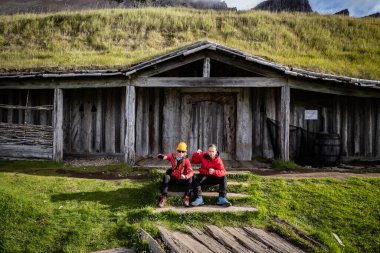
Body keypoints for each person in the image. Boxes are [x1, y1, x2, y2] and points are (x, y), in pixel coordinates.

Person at [157, 142, 194, 208]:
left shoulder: (187, 160)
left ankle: (186, 198)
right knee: (166, 177)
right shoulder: (173, 156)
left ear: (185, 152)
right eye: (179, 151)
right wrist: (162, 156)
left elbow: (191, 172)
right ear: (177, 151)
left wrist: (186, 176)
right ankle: (163, 197)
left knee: (190, 179)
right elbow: (166, 156)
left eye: (183, 152)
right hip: (174, 178)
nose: (181, 153)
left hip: (183, 179)